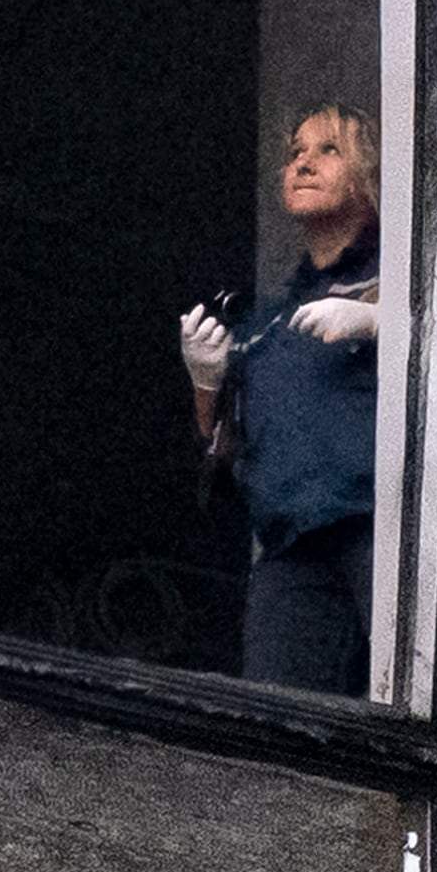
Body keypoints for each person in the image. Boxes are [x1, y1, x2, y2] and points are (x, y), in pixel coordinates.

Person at [178, 105, 381, 695]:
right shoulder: (269, 318)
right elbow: (219, 447)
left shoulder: (407, 272)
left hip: (379, 530)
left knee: (411, 701)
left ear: (368, 171)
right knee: (278, 720)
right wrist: (207, 380)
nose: (303, 163)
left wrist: (382, 318)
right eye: (295, 152)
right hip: (290, 547)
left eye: (328, 150)